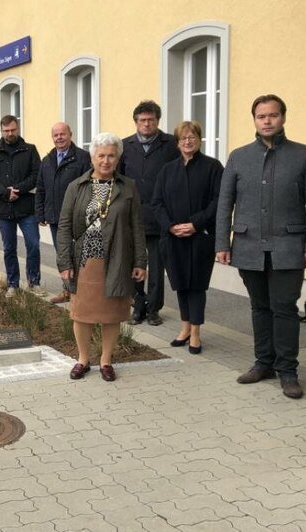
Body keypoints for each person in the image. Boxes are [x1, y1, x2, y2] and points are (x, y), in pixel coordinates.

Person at [216, 94, 306, 399]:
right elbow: (225, 204)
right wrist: (222, 243)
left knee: (285, 309)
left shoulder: (304, 155)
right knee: (259, 307)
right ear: (254, 120)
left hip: (289, 247)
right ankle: (263, 362)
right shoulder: (238, 157)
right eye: (261, 116)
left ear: (283, 118)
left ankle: (288, 370)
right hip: (249, 246)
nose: (267, 121)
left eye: (273, 115)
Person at [57, 132, 147, 382]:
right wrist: (64, 263)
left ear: (118, 158)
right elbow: (64, 226)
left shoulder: (128, 187)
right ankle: (83, 359)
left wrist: (141, 261)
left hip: (117, 258)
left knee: (111, 314)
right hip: (85, 260)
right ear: (92, 158)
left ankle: (106, 360)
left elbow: (137, 226)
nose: (106, 161)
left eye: (111, 156)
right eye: (101, 156)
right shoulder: (76, 187)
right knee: (82, 313)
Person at [151, 121, 223, 355]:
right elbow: (157, 203)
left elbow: (218, 201)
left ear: (199, 139)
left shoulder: (213, 167)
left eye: (192, 137)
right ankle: (184, 328)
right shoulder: (167, 170)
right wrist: (171, 226)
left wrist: (195, 224)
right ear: (177, 142)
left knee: (197, 285)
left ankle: (196, 332)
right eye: (183, 138)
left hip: (200, 236)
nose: (187, 141)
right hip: (173, 238)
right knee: (180, 283)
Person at [119, 100, 180, 325]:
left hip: (159, 216)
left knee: (156, 267)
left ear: (157, 121)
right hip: (132, 216)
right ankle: (138, 305)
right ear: (136, 122)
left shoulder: (171, 144)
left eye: (151, 120)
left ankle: (154, 309)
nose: (146, 124)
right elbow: (118, 179)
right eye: (142, 120)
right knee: (134, 264)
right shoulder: (124, 145)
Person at [0, 115, 44, 298]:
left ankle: (34, 281)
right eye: (6, 130)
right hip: (4, 208)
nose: (10, 133)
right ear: (1, 130)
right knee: (9, 248)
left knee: (33, 245)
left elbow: (37, 175)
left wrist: (18, 189)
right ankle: (13, 283)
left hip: (27, 207)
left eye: (13, 130)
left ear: (18, 129)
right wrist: (5, 192)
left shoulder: (30, 150)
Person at [35, 122, 92, 304]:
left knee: (81, 255)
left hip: (77, 218)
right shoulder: (47, 160)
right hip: (54, 217)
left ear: (70, 134)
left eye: (63, 134)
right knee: (62, 255)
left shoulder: (83, 158)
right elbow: (41, 188)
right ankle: (67, 291)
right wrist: (40, 213)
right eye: (56, 135)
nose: (59, 137)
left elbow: (90, 188)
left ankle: (83, 292)